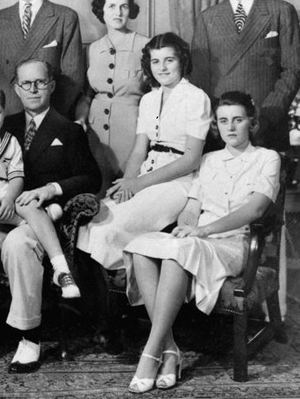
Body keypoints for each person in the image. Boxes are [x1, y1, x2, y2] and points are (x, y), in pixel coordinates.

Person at [123, 91, 280, 393]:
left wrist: (203, 232)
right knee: (141, 246)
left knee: (177, 254)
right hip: (198, 238)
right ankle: (169, 352)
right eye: (223, 121)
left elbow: (255, 209)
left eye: (238, 120)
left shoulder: (266, 158)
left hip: (234, 244)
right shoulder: (208, 160)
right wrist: (186, 226)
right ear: (216, 126)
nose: (230, 127)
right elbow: (192, 208)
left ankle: (150, 354)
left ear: (252, 122)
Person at [0, 59, 100, 373]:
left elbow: (90, 178)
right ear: (16, 89)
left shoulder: (69, 130)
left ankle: (29, 336)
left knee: (18, 244)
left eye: (40, 82)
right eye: (26, 83)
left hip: (35, 220)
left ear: (52, 85)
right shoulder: (1, 121)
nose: (33, 89)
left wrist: (51, 189)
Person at [77, 33, 211, 271]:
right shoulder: (148, 99)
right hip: (144, 176)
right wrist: (128, 181)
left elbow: (190, 160)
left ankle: (119, 299)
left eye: (169, 60)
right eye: (155, 61)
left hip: (178, 183)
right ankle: (94, 300)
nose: (162, 67)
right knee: (91, 223)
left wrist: (139, 184)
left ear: (182, 61)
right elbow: (139, 150)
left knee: (110, 229)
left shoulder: (196, 98)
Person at [0, 83, 80, 299]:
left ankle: (61, 270)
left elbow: (17, 177)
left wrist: (10, 197)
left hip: (5, 199)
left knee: (26, 200)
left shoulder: (11, 142)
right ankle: (29, 221)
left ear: (4, 112)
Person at [191, 0, 300, 152]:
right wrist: (218, 118)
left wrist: (267, 116)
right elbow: (198, 76)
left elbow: (292, 70)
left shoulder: (281, 11)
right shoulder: (208, 18)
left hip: (266, 122)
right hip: (222, 126)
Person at [75, 0, 150, 194]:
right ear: (102, 10)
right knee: (96, 190)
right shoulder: (92, 49)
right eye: (111, 6)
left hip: (132, 130)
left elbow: (155, 94)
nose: (118, 12)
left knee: (127, 192)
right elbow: (86, 95)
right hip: (95, 133)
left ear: (130, 10)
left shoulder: (146, 45)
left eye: (124, 6)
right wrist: (81, 118)